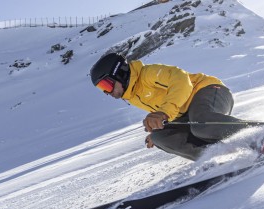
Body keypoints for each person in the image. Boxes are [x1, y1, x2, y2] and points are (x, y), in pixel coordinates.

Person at [89, 53, 254, 161]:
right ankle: (219, 157)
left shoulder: (148, 74)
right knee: (159, 138)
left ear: (119, 73)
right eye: (101, 89)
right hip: (188, 114)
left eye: (107, 84)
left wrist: (163, 113)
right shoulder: (132, 95)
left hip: (208, 91)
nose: (107, 92)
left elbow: (181, 81)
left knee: (200, 124)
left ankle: (260, 135)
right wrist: (159, 129)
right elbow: (167, 111)